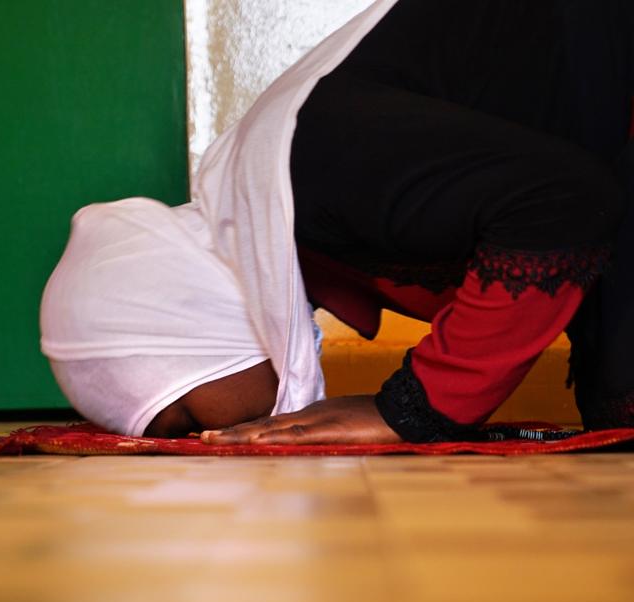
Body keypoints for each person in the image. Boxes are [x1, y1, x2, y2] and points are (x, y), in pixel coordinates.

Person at [40, 0, 634, 445]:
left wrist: (411, 408)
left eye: (184, 420)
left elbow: (566, 203)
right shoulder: (296, 213)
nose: (200, 441)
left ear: (194, 333)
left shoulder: (309, 168)